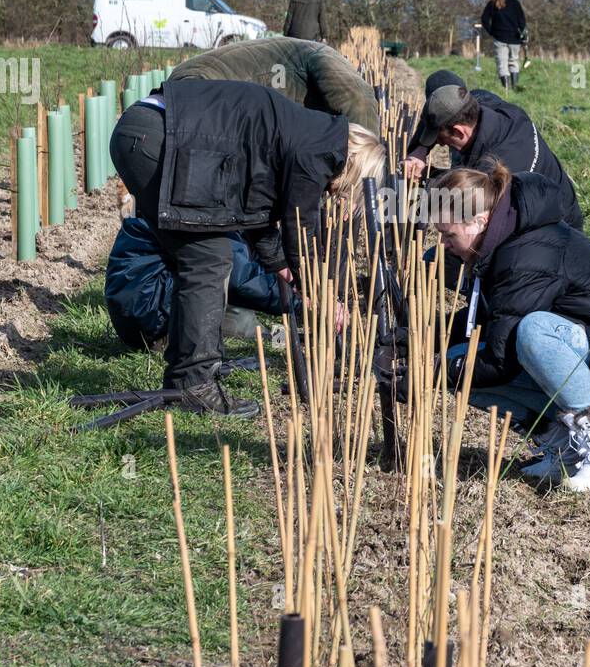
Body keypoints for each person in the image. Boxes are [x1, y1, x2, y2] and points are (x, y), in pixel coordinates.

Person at [110, 78, 385, 417]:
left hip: (147, 134)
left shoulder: (304, 135)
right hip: (157, 139)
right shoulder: (318, 149)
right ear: (355, 165)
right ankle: (194, 382)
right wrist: (321, 295)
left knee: (199, 259)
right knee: (209, 260)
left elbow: (259, 217)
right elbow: (301, 227)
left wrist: (282, 266)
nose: (333, 195)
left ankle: (186, 377)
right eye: (344, 189)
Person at [429, 161, 590, 492]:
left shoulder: (524, 253)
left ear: (479, 221)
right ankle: (565, 445)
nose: (443, 245)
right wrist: (417, 343)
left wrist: (438, 371)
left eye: (448, 235)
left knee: (534, 332)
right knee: (462, 354)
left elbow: (501, 361)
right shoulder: (502, 243)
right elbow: (491, 323)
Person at [403, 70, 583, 229]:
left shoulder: (495, 166)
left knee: (446, 253)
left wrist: (430, 180)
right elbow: (443, 101)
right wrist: (420, 149)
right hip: (527, 205)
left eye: (441, 138)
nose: (440, 144)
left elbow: (471, 215)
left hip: (553, 228)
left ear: (459, 131)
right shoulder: (479, 102)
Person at [105, 216, 282, 350]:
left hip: (142, 314)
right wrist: (297, 302)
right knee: (220, 279)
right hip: (154, 319)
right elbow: (241, 280)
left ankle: (276, 336)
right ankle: (275, 337)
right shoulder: (215, 216)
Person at [168, 35, 379, 134]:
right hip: (196, 87)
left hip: (189, 85)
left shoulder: (321, 64)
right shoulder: (331, 70)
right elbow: (358, 102)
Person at [480, 0, 526, 90]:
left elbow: (484, 19)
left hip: (499, 38)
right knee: (514, 62)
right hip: (515, 38)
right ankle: (514, 88)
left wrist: (491, 31)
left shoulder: (492, 3)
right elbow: (522, 20)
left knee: (502, 64)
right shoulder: (515, 3)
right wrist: (522, 33)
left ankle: (506, 91)